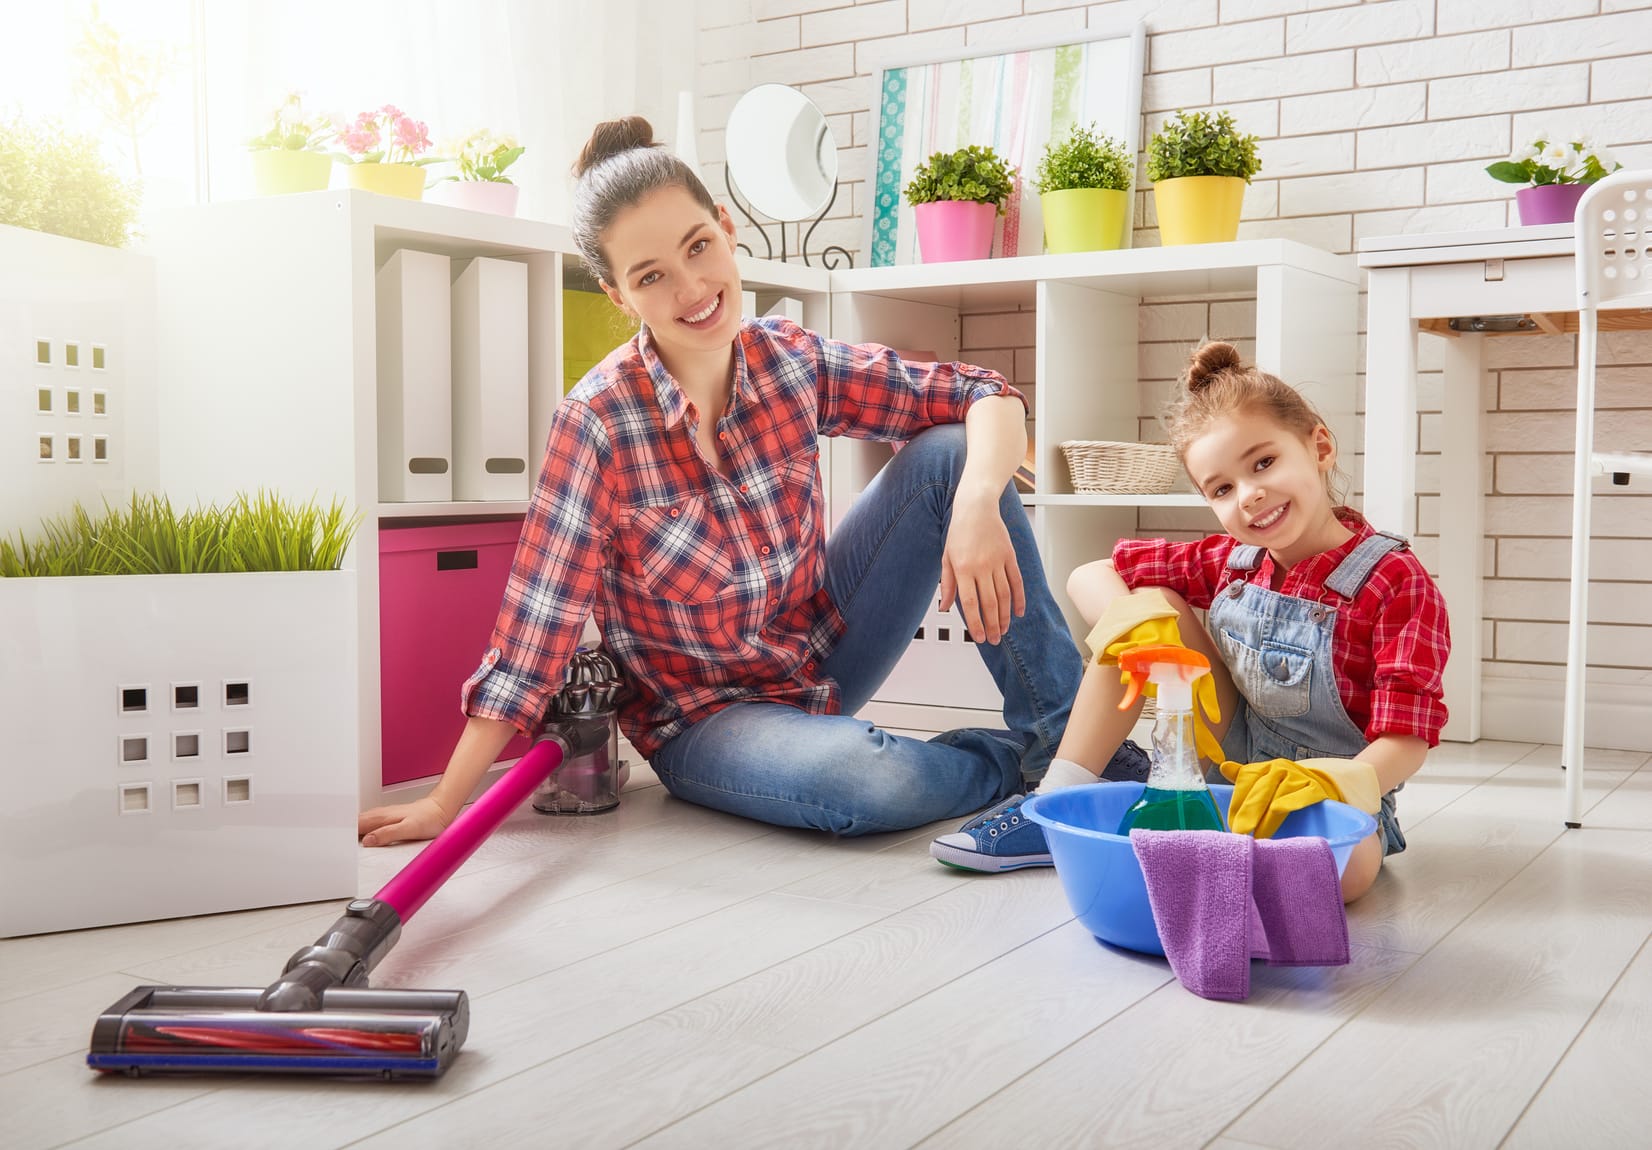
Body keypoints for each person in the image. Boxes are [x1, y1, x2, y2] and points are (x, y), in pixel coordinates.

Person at [358, 115, 1145, 849]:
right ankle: (1022, 769)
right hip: (704, 722)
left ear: (727, 233)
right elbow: (536, 628)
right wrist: (444, 801)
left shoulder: (788, 358)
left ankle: (1074, 756)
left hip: (820, 652)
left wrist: (976, 505)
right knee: (860, 780)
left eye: (699, 248)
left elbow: (985, 395)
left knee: (949, 454)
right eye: (652, 275)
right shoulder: (597, 422)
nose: (692, 290)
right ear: (619, 295)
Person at [932, 341, 1450, 901]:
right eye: (1222, 489)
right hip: (1226, 760)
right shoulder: (1234, 559)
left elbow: (1406, 738)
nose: (1250, 495)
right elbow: (1090, 574)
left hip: (1331, 794)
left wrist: (1328, 782)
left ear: (1318, 445)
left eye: (1264, 463)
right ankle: (1055, 800)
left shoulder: (1394, 581)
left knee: (1345, 871)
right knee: (1145, 605)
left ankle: (1204, 853)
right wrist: (1134, 628)